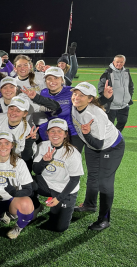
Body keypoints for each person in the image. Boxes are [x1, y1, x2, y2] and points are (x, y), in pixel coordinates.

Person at [71, 82, 125, 231]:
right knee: (93, 176)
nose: (76, 97)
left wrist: (87, 133)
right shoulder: (76, 105)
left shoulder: (96, 115)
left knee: (105, 183)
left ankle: (104, 219)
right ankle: (90, 204)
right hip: (91, 145)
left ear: (89, 99)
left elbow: (99, 145)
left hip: (111, 147)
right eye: (75, 93)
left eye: (81, 95)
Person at [32, 118, 84, 232]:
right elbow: (36, 170)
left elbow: (74, 180)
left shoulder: (73, 153)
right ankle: (35, 207)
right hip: (45, 183)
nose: (56, 134)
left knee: (59, 228)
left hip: (64, 188)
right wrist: (44, 161)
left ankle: (59, 207)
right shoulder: (42, 145)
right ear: (47, 133)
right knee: (25, 184)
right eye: (52, 131)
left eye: (60, 131)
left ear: (65, 134)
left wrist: (58, 198)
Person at [23, 67, 84, 153]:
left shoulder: (71, 92)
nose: (52, 81)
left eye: (56, 78)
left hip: (72, 133)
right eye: (49, 78)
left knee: (72, 160)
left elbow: (88, 104)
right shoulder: (43, 93)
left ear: (62, 80)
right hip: (54, 133)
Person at [0, 131, 34, 239]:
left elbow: (28, 190)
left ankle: (17, 226)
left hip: (11, 200)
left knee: (26, 204)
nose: (3, 146)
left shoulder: (19, 162)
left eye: (7, 143)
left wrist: (14, 192)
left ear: (12, 145)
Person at [0, 96, 39, 171]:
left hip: (16, 161)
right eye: (11, 109)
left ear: (25, 114)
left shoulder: (28, 131)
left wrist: (28, 144)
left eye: (18, 111)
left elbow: (26, 157)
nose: (13, 112)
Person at [98, 55, 134, 132]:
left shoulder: (126, 73)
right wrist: (108, 98)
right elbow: (101, 88)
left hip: (124, 105)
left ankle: (116, 136)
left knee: (122, 122)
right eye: (117, 62)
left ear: (124, 62)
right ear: (113, 62)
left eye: (121, 62)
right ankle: (108, 139)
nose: (119, 64)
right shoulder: (107, 73)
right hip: (112, 106)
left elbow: (131, 86)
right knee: (108, 125)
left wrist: (129, 97)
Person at [13, 55, 48, 127]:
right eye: (19, 66)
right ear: (15, 68)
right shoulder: (13, 83)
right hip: (25, 123)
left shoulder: (40, 76)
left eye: (25, 65)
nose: (22, 68)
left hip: (44, 120)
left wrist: (52, 73)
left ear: (30, 66)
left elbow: (59, 86)